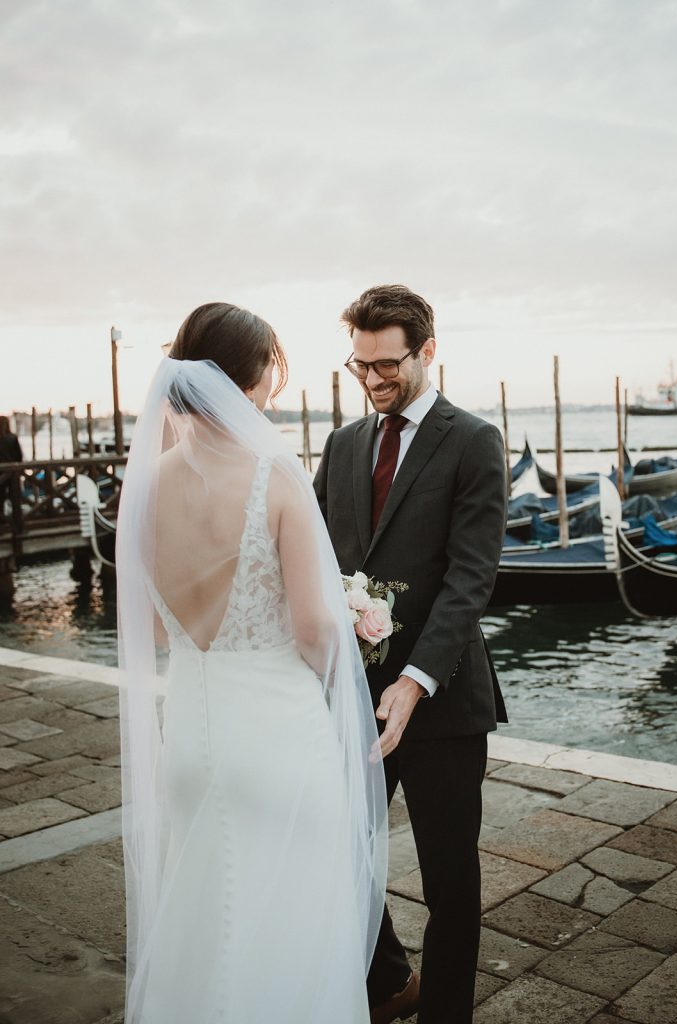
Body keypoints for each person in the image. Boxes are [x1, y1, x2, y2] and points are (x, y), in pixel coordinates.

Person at [116, 303, 387, 1024]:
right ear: (252, 375)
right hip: (277, 739)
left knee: (203, 921)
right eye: (272, 368)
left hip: (191, 739)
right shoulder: (274, 474)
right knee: (293, 928)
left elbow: (153, 627)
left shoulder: (144, 486)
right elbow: (313, 627)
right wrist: (351, 635)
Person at [313, 284, 508, 1024]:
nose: (371, 379)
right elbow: (317, 558)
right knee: (334, 851)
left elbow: (470, 577)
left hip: (443, 700)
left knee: (449, 879)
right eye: (359, 365)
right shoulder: (341, 444)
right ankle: (390, 981)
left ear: (427, 351)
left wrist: (416, 679)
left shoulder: (473, 440)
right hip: (354, 699)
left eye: (386, 365)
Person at [0, 416, 23, 520]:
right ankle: (16, 523)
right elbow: (19, 457)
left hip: (3, 474)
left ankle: (2, 521)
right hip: (12, 474)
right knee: (15, 499)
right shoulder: (13, 438)